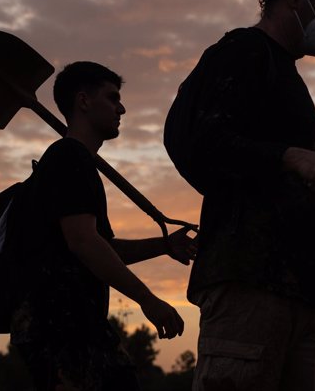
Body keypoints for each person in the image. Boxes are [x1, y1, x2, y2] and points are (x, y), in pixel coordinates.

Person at [183, 0, 315, 390]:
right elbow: (200, 142)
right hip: (250, 285)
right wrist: (295, 157)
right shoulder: (242, 52)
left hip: (305, 294)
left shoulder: (286, 76)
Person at [11, 61, 197, 391]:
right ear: (84, 101)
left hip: (72, 326)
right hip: (62, 327)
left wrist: (164, 245)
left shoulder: (72, 161)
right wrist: (147, 299)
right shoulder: (70, 157)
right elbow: (83, 242)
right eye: (112, 98)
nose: (121, 108)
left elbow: (100, 246)